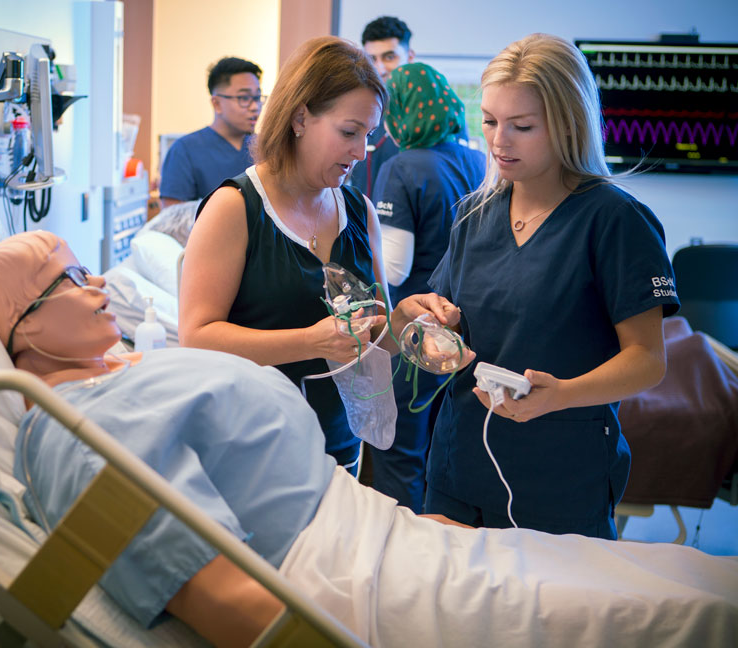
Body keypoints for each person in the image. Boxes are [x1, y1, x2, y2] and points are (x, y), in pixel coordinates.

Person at [0, 230, 737, 648]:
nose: (98, 283)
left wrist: (409, 529)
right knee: (678, 621)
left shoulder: (129, 373)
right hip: (350, 586)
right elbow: (222, 594)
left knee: (672, 583)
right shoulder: (71, 432)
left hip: (381, 537)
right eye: (67, 277)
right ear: (22, 326)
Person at [422, 33, 681, 538]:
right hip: (458, 466)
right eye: (491, 121)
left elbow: (648, 361)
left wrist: (561, 394)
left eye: (522, 126)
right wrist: (423, 320)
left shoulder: (615, 220)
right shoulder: (473, 216)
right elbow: (448, 331)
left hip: (559, 480)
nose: (499, 142)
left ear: (568, 125)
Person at [178, 36, 454, 471]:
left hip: (339, 449)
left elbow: (372, 338)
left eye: (368, 135)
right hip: (252, 453)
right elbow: (196, 337)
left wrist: (403, 321)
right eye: (348, 132)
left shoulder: (359, 212)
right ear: (300, 117)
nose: (360, 152)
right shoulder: (235, 207)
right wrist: (308, 340)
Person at [366, 64, 486, 512]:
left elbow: (394, 269)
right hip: (462, 330)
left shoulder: (403, 166)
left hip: (417, 331)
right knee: (444, 452)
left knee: (400, 455)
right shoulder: (477, 159)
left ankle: (402, 564)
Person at [158, 57, 264, 208]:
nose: (255, 107)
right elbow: (173, 220)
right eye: (244, 98)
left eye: (257, 97)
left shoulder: (266, 149)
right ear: (217, 104)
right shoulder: (184, 151)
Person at [347, 16, 414, 200]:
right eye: (372, 59)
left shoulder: (427, 115)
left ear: (410, 57)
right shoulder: (356, 112)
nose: (380, 68)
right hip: (362, 220)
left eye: (390, 57)